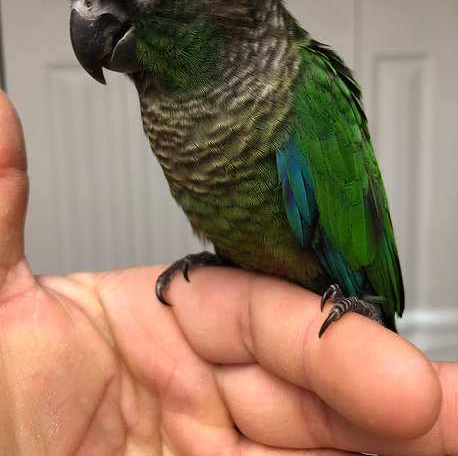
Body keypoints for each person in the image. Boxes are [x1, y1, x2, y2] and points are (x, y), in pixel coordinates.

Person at [0, 87, 456, 456]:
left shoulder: (303, 92)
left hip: (341, 288)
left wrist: (368, 308)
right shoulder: (167, 118)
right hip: (260, 334)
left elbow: (357, 251)